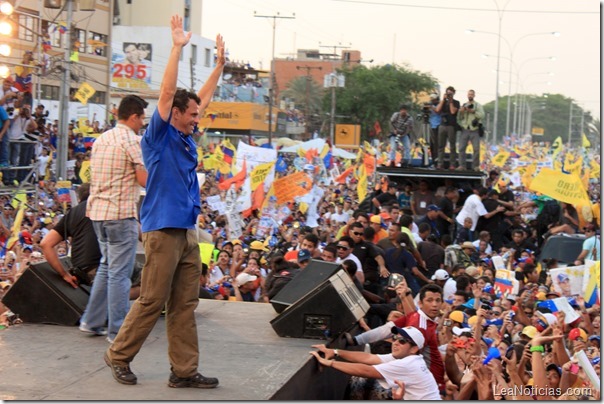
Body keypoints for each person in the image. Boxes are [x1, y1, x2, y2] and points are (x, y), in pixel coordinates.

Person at [104, 16, 225, 388]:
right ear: (175, 114)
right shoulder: (157, 135)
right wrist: (176, 48)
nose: (197, 118)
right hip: (161, 231)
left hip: (186, 231)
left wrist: (219, 65)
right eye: (191, 115)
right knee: (152, 301)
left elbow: (198, 98)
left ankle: (184, 371)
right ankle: (118, 355)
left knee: (185, 305)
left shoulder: (187, 134)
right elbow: (170, 93)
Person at [79, 94, 148, 344]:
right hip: (120, 214)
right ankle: (118, 330)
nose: (142, 123)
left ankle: (91, 321)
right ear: (133, 117)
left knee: (107, 268)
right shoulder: (131, 141)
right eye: (141, 119)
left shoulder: (102, 139)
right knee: (120, 273)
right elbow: (143, 180)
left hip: (98, 214)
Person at [310, 326, 441, 400]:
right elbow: (369, 358)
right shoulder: (406, 358)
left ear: (414, 348)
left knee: (360, 381)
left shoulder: (409, 364)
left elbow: (367, 371)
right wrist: (335, 351)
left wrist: (330, 363)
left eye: (402, 341)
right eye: (395, 338)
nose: (395, 342)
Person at [40, 183, 101, 289]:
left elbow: (46, 244)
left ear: (79, 197)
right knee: (139, 281)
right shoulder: (104, 208)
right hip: (101, 268)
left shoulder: (72, 213)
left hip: (81, 271)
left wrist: (64, 274)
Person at [456, 89, 484, 171]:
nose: (470, 96)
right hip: (465, 129)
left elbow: (482, 115)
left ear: (474, 95)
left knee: (476, 149)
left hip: (474, 129)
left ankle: (475, 166)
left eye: (472, 94)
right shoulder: (464, 105)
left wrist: (472, 111)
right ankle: (462, 165)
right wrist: (461, 111)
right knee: (461, 148)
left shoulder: (478, 105)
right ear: (467, 95)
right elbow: (459, 118)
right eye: (469, 94)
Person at [435, 86, 460, 170]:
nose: (449, 95)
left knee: (452, 146)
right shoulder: (443, 102)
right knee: (441, 146)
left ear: (453, 93)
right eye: (448, 93)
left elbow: (453, 111)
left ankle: (452, 164)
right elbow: (437, 110)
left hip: (451, 126)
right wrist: (443, 100)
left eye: (451, 93)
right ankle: (440, 163)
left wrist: (450, 101)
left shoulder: (456, 102)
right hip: (442, 125)